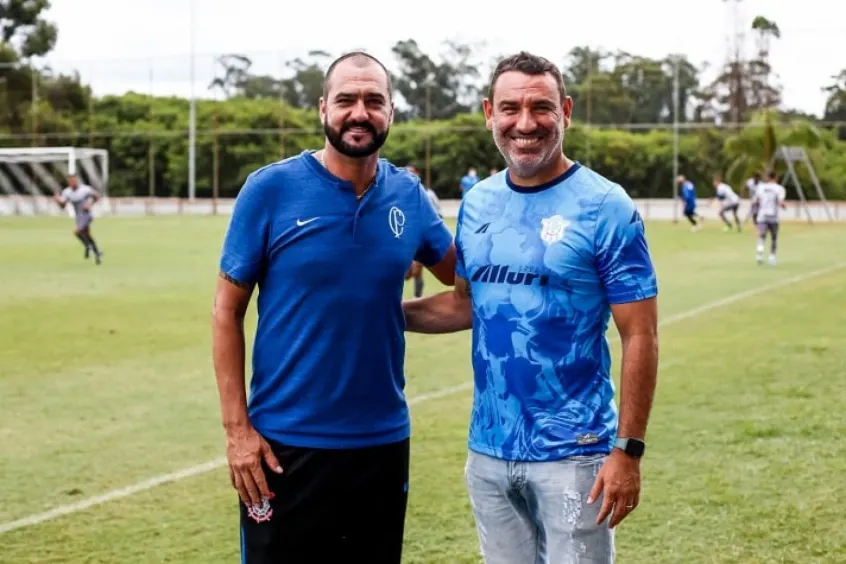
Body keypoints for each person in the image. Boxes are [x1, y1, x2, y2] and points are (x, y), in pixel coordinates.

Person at [402, 51, 660, 563]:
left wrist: (627, 450)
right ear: (488, 113)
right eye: (510, 108)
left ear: (565, 110)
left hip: (575, 454)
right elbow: (466, 306)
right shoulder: (477, 203)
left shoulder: (606, 206)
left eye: (540, 107)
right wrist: (381, 315)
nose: (525, 123)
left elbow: (641, 335)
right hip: (488, 452)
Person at [212, 51, 457, 564]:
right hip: (283, 448)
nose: (359, 112)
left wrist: (388, 316)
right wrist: (238, 432)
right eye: (346, 99)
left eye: (374, 100)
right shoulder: (270, 190)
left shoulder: (409, 196)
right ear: (324, 108)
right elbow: (226, 312)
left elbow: (470, 296)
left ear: (391, 111)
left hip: (381, 445)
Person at [404, 164, 443, 298]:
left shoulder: (428, 193)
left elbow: (438, 212)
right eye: (406, 172)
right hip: (402, 237)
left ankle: (417, 297)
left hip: (420, 237)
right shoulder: (396, 192)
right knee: (406, 274)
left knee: (417, 270)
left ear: (417, 174)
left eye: (411, 172)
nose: (409, 175)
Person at [53, 174, 103, 264]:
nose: (72, 183)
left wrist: (90, 204)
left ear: (76, 180)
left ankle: (88, 246)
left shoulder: (85, 189)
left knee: (77, 231)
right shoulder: (67, 192)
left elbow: (97, 196)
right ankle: (97, 253)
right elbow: (63, 206)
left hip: (86, 215)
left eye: (73, 180)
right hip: (78, 216)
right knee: (87, 235)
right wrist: (58, 200)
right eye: (70, 181)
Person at [752, 170, 787, 265]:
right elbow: (780, 202)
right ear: (775, 178)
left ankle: (759, 254)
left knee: (762, 236)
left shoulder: (761, 187)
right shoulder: (779, 189)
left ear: (767, 178)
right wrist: (784, 206)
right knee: (774, 238)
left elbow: (755, 201)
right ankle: (772, 257)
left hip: (762, 216)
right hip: (773, 217)